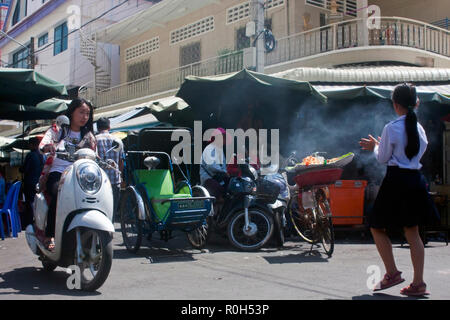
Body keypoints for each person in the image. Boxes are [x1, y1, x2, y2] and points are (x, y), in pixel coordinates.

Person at [359, 83, 433, 297]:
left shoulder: (391, 127)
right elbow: (418, 150)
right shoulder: (418, 127)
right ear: (416, 103)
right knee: (413, 232)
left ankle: (391, 272)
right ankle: (418, 283)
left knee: (376, 226)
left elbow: (382, 159)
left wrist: (375, 146)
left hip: (396, 181)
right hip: (415, 180)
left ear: (395, 104)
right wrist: (387, 148)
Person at [39, 98, 96, 250]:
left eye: (88, 113)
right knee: (60, 191)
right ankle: (50, 234)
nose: (85, 117)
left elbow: (95, 156)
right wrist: (48, 147)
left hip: (79, 176)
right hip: (58, 174)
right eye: (81, 112)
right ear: (72, 112)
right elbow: (43, 144)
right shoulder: (58, 130)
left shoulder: (89, 136)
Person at [95, 117, 123, 222]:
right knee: (113, 207)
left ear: (97, 128)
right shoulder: (118, 140)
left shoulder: (95, 140)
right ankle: (110, 226)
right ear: (109, 127)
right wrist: (121, 175)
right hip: (115, 180)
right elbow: (121, 161)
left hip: (100, 181)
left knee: (100, 207)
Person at [200, 128, 230, 208]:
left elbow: (223, 165)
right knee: (219, 189)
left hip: (218, 178)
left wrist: (226, 173)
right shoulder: (209, 149)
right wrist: (223, 172)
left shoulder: (220, 150)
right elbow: (211, 166)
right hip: (208, 179)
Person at [19, 137, 44, 228]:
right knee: (37, 204)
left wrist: (21, 168)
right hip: (39, 183)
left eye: (29, 144)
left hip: (30, 183)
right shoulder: (41, 155)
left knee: (29, 204)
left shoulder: (30, 155)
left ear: (33, 145)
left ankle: (28, 222)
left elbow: (24, 169)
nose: (29, 146)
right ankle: (37, 222)